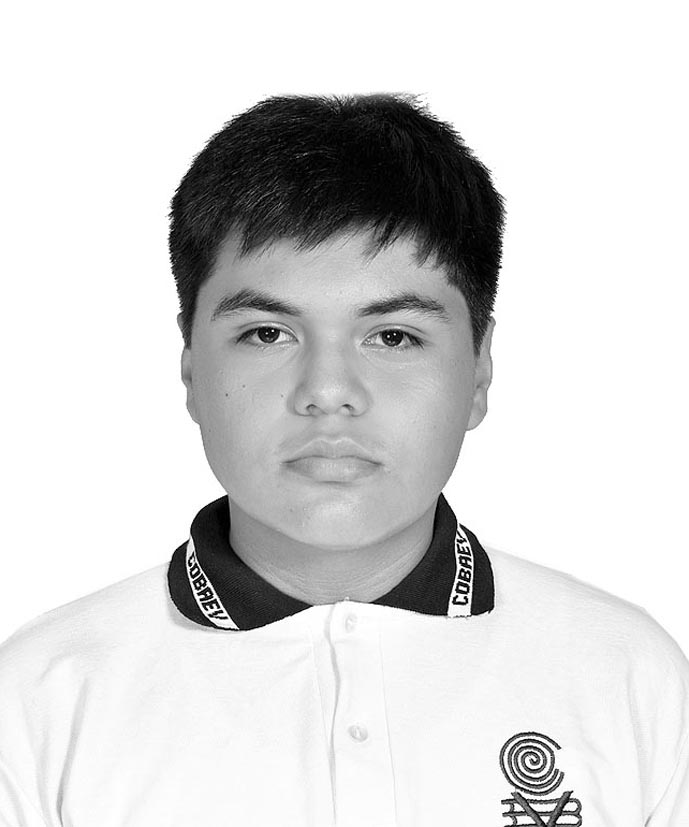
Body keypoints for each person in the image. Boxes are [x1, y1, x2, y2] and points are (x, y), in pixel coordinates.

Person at [0, 93, 686, 827]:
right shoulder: (42, 700)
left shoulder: (626, 676)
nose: (328, 393)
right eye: (267, 333)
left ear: (480, 369)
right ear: (191, 363)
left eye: (393, 336)